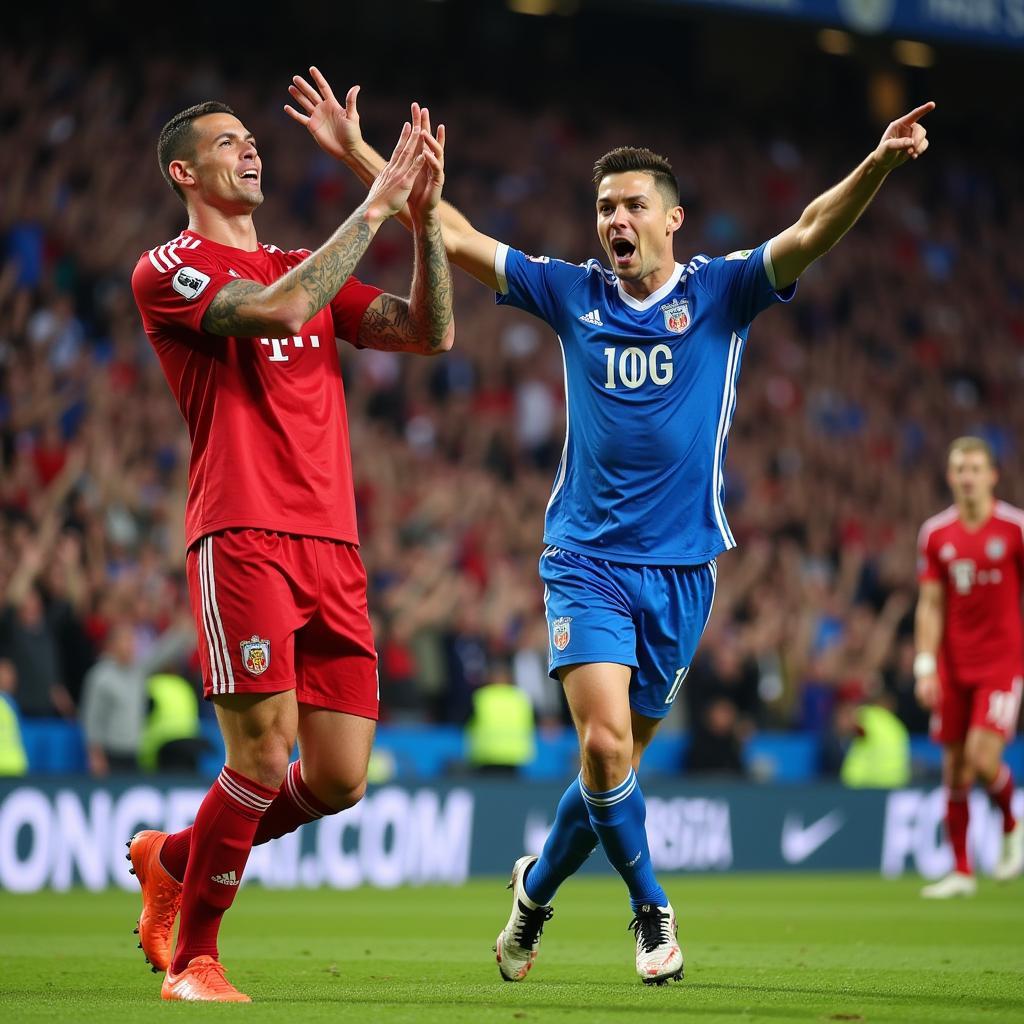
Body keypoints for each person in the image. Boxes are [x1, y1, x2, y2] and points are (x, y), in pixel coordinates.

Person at [285, 67, 933, 984]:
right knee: (602, 744)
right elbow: (455, 233)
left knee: (607, 776)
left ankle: (533, 896)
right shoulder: (568, 291)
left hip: (683, 571)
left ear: (672, 219)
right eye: (602, 207)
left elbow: (811, 230)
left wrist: (876, 162)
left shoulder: (721, 293)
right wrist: (364, 157)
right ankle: (650, 911)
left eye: (630, 205)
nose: (613, 221)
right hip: (584, 559)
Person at [128, 98, 453, 1002]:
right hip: (244, 531)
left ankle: (177, 859)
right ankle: (194, 958)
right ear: (183, 173)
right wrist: (378, 201)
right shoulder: (171, 267)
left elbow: (429, 332)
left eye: (252, 140)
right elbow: (274, 311)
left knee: (341, 777)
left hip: (334, 544)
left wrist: (424, 219)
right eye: (228, 142)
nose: (250, 149)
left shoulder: (294, 262)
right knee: (264, 758)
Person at [915, 437, 1024, 898]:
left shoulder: (1015, 528)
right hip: (952, 667)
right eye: (960, 469)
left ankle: (1014, 825)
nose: (967, 477)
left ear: (992, 476)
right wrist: (925, 664)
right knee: (955, 769)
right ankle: (961, 871)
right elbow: (931, 604)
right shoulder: (937, 534)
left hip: (1001, 663)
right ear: (950, 477)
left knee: (983, 759)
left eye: (976, 468)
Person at [79, 618, 195, 776]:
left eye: (132, 640)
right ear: (112, 644)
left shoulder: (137, 671)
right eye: (126, 640)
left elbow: (161, 653)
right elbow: (92, 717)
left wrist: (181, 632)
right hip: (110, 754)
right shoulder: (100, 676)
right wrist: (95, 755)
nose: (131, 645)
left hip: (133, 753)